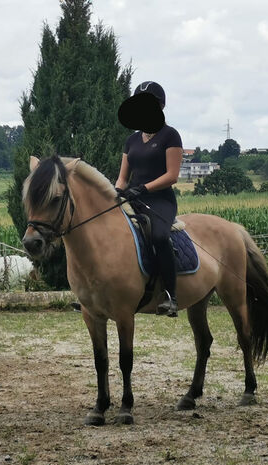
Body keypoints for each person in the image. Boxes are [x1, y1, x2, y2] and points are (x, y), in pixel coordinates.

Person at [116, 81, 183, 317]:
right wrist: (116, 194)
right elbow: (123, 178)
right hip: (132, 196)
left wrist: (143, 188)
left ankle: (170, 297)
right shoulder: (131, 140)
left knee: (159, 236)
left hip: (159, 200)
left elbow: (172, 176)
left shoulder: (170, 135)